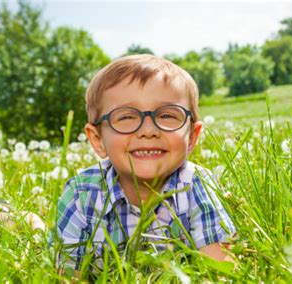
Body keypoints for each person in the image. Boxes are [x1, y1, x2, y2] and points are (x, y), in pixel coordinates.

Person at [56, 54, 236, 275]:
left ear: (192, 137)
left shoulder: (196, 184)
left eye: (168, 115)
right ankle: (24, 220)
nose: (148, 130)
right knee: (36, 241)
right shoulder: (81, 193)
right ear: (97, 139)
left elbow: (223, 269)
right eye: (125, 117)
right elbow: (67, 277)